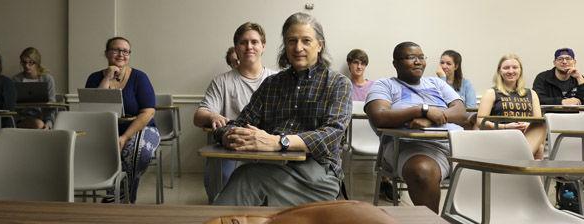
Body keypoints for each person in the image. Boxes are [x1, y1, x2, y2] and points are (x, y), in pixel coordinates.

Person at [212, 12, 351, 206]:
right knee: (246, 177)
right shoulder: (271, 84)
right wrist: (228, 135)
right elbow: (239, 123)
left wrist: (280, 142)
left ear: (320, 45)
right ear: (285, 46)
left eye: (306, 40)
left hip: (318, 174)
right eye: (291, 41)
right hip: (272, 165)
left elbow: (332, 133)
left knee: (248, 178)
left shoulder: (338, 83)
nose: (298, 47)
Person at [364, 41, 467, 213]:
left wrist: (430, 119)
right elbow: (379, 117)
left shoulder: (436, 83)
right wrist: (421, 109)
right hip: (407, 146)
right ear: (395, 63)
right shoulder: (384, 85)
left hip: (453, 143)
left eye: (421, 57)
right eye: (411, 57)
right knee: (422, 171)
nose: (418, 61)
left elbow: (460, 112)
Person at [194, 22, 277, 203]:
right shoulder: (221, 82)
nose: (249, 47)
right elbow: (199, 116)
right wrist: (212, 115)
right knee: (222, 191)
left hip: (269, 150)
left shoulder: (277, 80)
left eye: (254, 42)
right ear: (236, 48)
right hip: (231, 149)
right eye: (243, 42)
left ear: (263, 46)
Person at [85, 37, 160, 203]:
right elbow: (94, 110)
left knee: (137, 150)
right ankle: (116, 191)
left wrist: (125, 137)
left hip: (141, 127)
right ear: (106, 53)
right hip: (105, 130)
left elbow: (148, 113)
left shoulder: (140, 77)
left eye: (125, 51)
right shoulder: (94, 78)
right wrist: (107, 77)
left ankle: (123, 195)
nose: (121, 54)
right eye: (116, 50)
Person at [477, 54, 546, 159]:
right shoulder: (491, 93)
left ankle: (517, 160)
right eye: (506, 68)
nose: (510, 71)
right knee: (538, 149)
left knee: (542, 125)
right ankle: (520, 159)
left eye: (515, 67)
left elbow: (538, 120)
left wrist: (527, 125)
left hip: (525, 135)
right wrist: (505, 126)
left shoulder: (532, 93)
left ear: (520, 70)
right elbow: (480, 122)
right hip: (501, 135)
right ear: (499, 71)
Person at [12, 47, 56, 129]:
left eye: (31, 63)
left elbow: (51, 105)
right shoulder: (16, 80)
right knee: (38, 124)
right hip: (22, 118)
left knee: (41, 125)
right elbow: (13, 105)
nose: (26, 66)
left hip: (43, 118)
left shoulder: (47, 79)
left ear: (37, 63)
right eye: (24, 62)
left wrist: (49, 123)